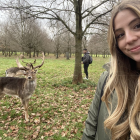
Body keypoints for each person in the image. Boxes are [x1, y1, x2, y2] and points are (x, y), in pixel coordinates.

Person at [82, 0, 140, 140]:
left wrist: (84, 61)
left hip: (86, 65)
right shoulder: (106, 81)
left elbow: (88, 61)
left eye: (137, 25)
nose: (129, 39)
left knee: (86, 72)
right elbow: (90, 127)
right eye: (120, 35)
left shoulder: (87, 55)